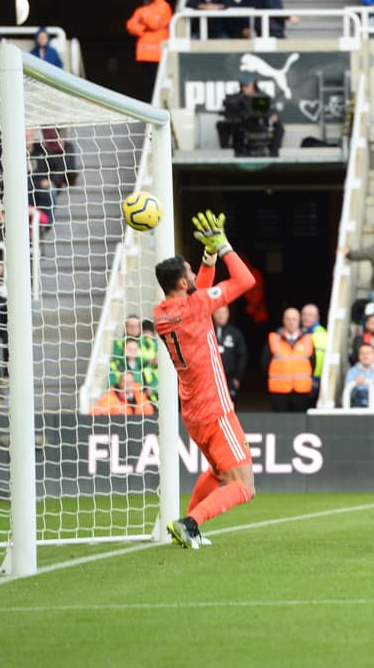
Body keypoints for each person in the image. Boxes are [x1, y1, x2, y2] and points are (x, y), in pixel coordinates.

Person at [154, 211, 257, 549]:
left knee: (217, 473)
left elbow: (201, 290)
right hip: (215, 408)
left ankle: (185, 526)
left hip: (193, 410)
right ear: (183, 283)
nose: (195, 275)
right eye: (190, 273)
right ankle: (190, 522)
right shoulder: (195, 307)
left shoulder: (162, 312)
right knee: (243, 486)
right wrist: (224, 246)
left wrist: (207, 257)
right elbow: (245, 282)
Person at [262, 306, 315, 412]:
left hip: (301, 391)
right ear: (283, 321)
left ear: (299, 321)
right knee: (280, 425)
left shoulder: (308, 340)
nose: (291, 322)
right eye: (288, 319)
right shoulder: (273, 339)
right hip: (279, 392)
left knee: (300, 426)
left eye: (294, 319)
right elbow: (264, 363)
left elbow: (313, 362)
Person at [217, 74, 284, 157]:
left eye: (247, 86)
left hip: (261, 124)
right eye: (243, 86)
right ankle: (236, 152)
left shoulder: (262, 97)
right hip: (243, 126)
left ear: (253, 85)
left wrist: (271, 116)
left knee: (279, 127)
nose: (244, 88)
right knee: (224, 125)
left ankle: (273, 153)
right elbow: (231, 111)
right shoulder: (238, 98)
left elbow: (266, 112)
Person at [124, 0, 172, 100]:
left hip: (159, 54)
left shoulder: (164, 7)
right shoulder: (143, 9)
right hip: (144, 53)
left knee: (158, 82)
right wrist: (142, 29)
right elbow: (130, 25)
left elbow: (155, 24)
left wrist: (144, 16)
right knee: (147, 83)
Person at [212, 305, 246, 401]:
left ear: (228, 314)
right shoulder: (207, 332)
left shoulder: (235, 334)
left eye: (224, 313)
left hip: (230, 379)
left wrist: (237, 377)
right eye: (218, 313)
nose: (221, 316)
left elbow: (242, 356)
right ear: (213, 314)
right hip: (211, 379)